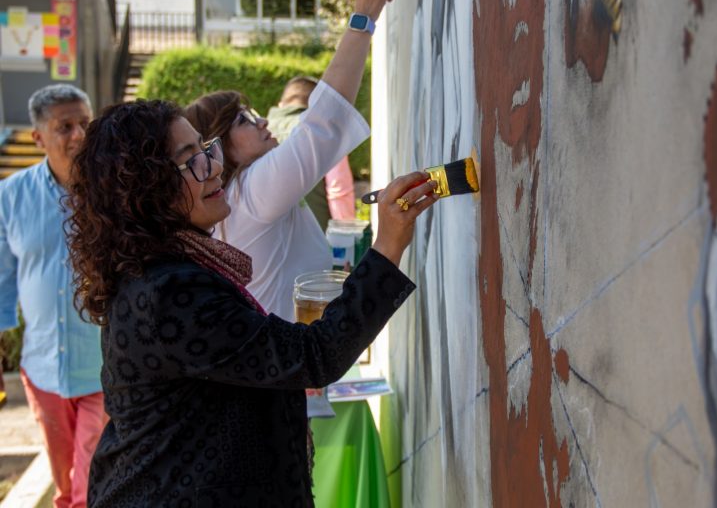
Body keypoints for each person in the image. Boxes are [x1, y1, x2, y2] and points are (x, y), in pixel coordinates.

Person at [65, 98, 438, 506]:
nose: (214, 167)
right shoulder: (168, 294)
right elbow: (314, 355)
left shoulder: (168, 273)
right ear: (147, 191)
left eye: (206, 149)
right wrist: (387, 247)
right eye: (191, 161)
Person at [184, 0, 392, 322]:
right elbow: (323, 124)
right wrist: (362, 18)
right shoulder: (251, 190)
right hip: (294, 346)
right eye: (244, 120)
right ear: (219, 145)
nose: (262, 121)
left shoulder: (235, 196)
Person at [0, 84, 106, 508]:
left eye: (85, 123)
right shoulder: (11, 196)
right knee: (64, 487)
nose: (79, 134)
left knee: (89, 488)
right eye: (65, 126)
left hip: (103, 367)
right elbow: (2, 280)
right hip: (42, 369)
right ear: (38, 137)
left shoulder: (112, 192)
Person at [267, 75, 357, 231]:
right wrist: (346, 232)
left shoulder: (261, 131)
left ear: (281, 104)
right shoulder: (324, 131)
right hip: (316, 234)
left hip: (271, 236)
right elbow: (338, 191)